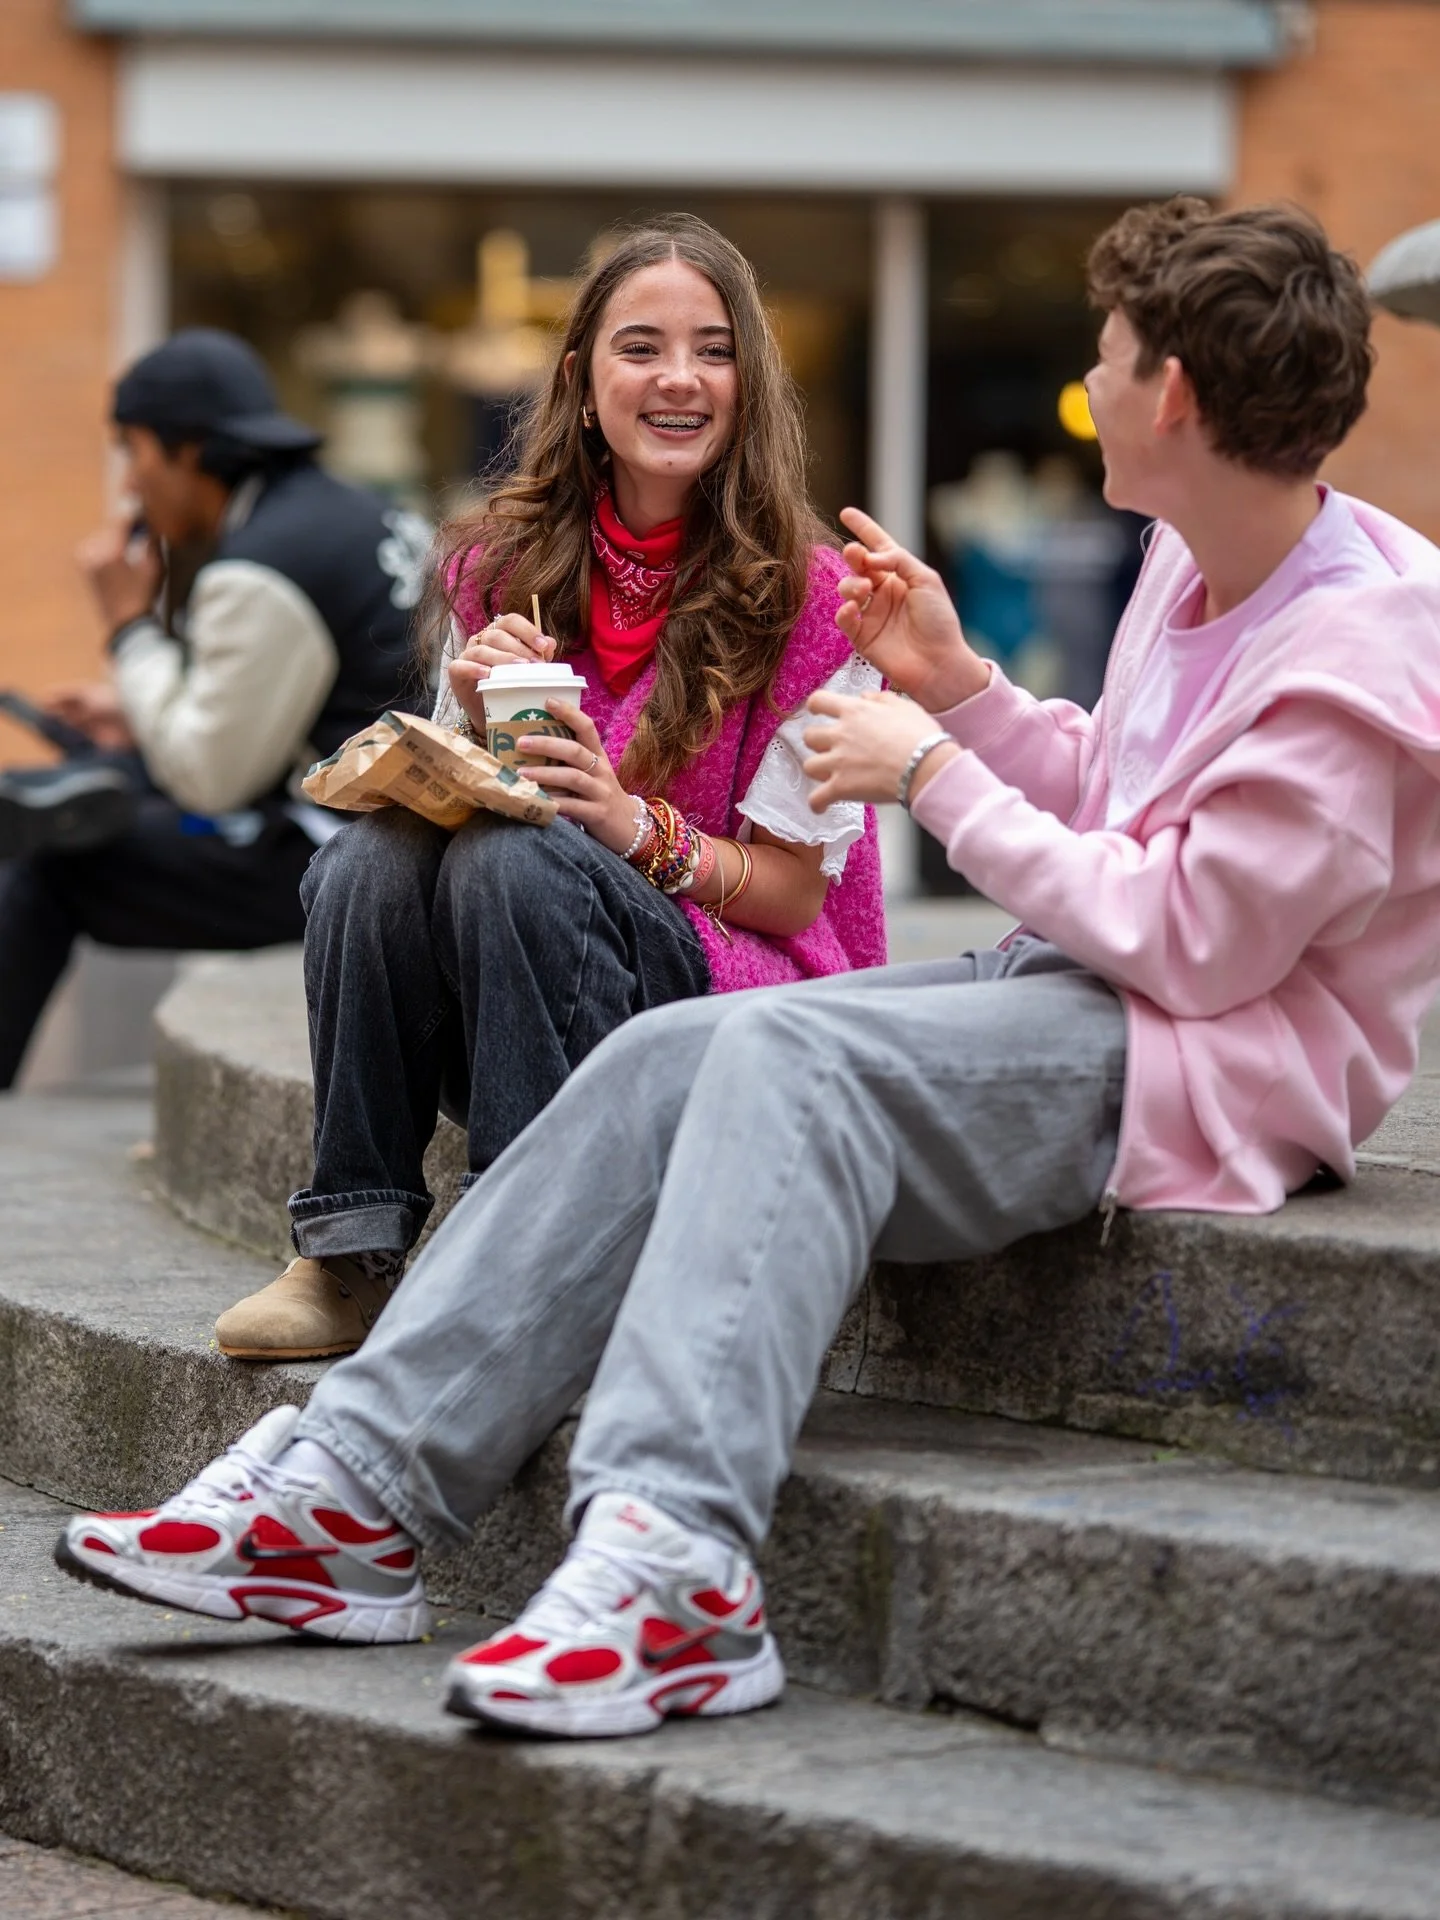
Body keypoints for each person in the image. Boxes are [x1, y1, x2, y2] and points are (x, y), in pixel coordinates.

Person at [59, 199, 1440, 1741]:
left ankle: (677, 1570)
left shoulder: (1359, 653)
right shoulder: (1202, 564)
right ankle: (350, 1501)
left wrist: (933, 776)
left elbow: (1196, 944)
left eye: (1109, 357)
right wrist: (966, 692)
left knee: (777, 1050)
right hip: (1078, 982)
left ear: (1171, 394)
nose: (1092, 381)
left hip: (1216, 1062)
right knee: (665, 1054)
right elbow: (1123, 788)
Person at [209, 215, 884, 1363]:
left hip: (731, 1001)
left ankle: (521, 1261)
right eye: (642, 347)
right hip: (519, 972)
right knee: (372, 855)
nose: (680, 378)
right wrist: (459, 730)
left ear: (750, 383)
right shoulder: (495, 565)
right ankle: (349, 1251)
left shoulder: (819, 601)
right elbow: (445, 824)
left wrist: (628, 824)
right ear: (581, 382)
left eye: (714, 350)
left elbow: (792, 899)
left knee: (519, 855)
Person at [0, 328, 429, 1090]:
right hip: (404, 837)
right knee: (110, 775)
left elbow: (209, 779)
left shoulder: (259, 568)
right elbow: (313, 698)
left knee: (52, 858)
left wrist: (129, 626)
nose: (130, 485)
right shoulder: (361, 512)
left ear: (190, 451)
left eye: (134, 452)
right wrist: (139, 715)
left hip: (342, 864)